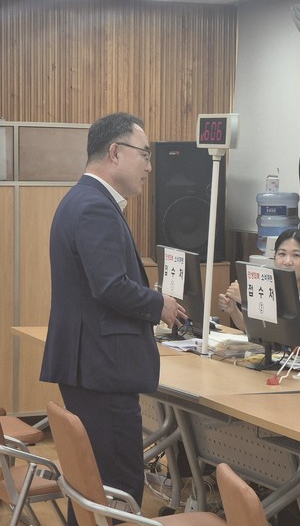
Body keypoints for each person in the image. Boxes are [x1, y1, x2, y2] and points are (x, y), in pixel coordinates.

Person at [39, 112, 185, 525]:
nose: (149, 167)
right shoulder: (94, 207)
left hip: (92, 366)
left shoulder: (81, 200)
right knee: (116, 491)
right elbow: (110, 287)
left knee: (93, 489)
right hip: (103, 370)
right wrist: (159, 303)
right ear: (115, 152)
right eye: (145, 154)